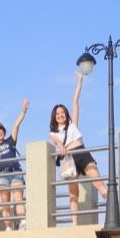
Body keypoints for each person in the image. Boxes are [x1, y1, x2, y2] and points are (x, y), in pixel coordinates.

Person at [48, 72, 108, 222]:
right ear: (54, 117)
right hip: (68, 159)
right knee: (73, 193)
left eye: (62, 112)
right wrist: (61, 146)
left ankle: (113, 211)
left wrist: (80, 82)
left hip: (82, 152)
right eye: (57, 114)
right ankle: (74, 222)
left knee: (99, 183)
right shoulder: (53, 132)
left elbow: (75, 101)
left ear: (66, 114)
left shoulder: (73, 124)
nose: (60, 115)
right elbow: (56, 141)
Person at [0, 99, 29, 230]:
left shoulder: (10, 141)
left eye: (0, 129)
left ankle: (23, 223)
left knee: (19, 197)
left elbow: (16, 126)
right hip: (1, 174)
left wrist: (23, 112)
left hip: (15, 171)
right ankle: (8, 227)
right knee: (5, 203)